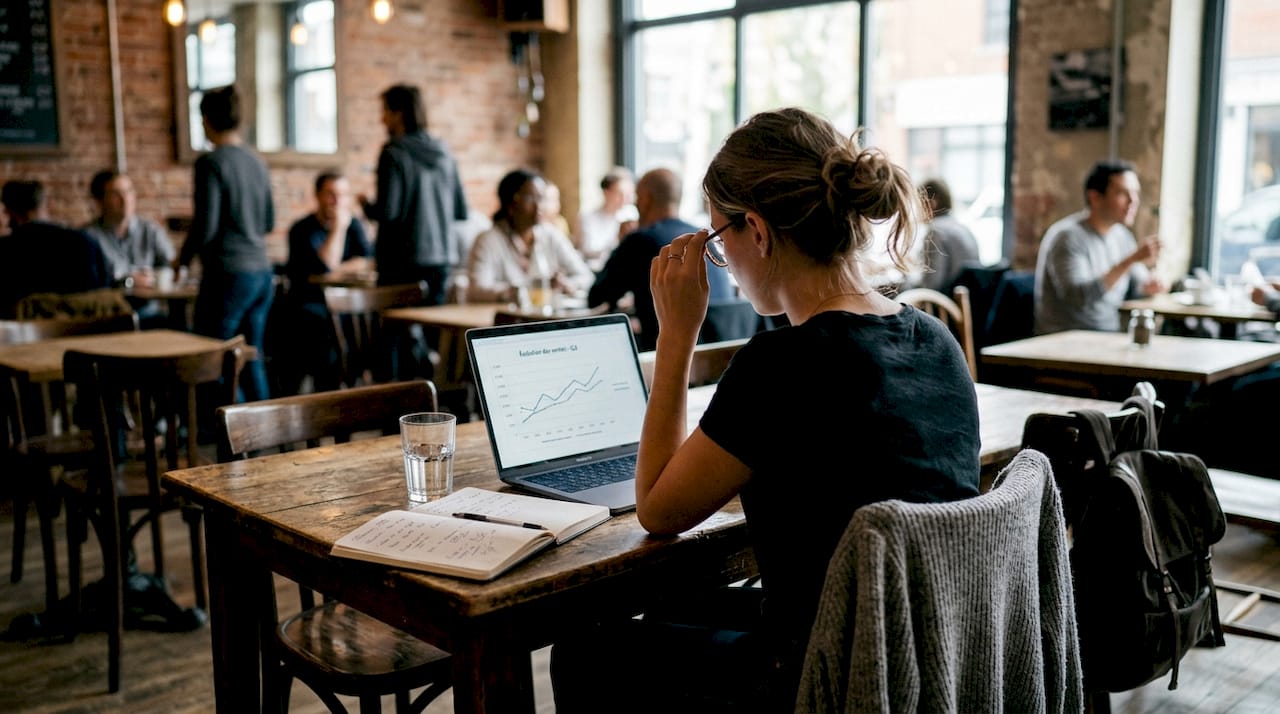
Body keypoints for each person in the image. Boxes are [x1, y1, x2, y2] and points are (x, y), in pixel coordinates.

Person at [551, 108, 981, 712]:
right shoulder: (935, 340)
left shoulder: (784, 363)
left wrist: (676, 334)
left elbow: (656, 507)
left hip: (820, 671)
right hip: (930, 656)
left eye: (718, 241)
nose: (720, 257)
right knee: (679, 608)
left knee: (586, 647)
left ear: (755, 229)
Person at [176, 84, 275, 402]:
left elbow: (206, 226)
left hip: (228, 274)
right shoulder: (256, 162)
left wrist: (181, 259)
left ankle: (237, 439)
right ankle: (267, 439)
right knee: (250, 357)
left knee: (217, 358)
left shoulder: (211, 163)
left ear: (207, 119)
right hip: (262, 273)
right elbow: (269, 222)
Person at [587, 167, 736, 350]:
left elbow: (596, 297)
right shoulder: (706, 238)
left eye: (637, 198)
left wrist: (622, 244)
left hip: (666, 356)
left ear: (646, 199)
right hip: (718, 358)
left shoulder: (639, 240)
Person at [360, 84, 468, 306]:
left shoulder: (393, 152)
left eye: (385, 112)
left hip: (400, 263)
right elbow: (460, 210)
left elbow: (388, 212)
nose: (382, 120)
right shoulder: (444, 152)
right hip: (442, 260)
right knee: (432, 336)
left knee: (394, 336)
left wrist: (366, 205)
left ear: (398, 113)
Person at [1033, 159, 1168, 334]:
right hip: (1066, 340)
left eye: (1135, 193)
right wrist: (1130, 260)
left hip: (1107, 334)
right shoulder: (1067, 237)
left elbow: (1138, 285)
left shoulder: (1122, 235)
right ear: (1095, 197)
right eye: (1122, 193)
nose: (1133, 201)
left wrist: (1150, 286)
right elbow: (1078, 297)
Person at [278, 170, 373, 394]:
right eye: (331, 194)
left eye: (343, 195)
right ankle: (327, 393)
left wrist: (337, 270)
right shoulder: (301, 229)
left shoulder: (355, 225)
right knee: (323, 331)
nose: (338, 201)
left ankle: (361, 392)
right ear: (318, 195)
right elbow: (326, 264)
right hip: (309, 309)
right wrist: (339, 228)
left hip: (347, 308)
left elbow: (368, 260)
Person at [465, 168, 594, 304]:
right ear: (511, 203)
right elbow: (476, 290)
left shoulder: (551, 234)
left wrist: (566, 284)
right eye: (531, 198)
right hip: (504, 321)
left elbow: (586, 276)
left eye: (542, 198)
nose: (539, 206)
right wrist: (530, 288)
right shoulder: (488, 240)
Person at [0, 180, 112, 319]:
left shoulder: (4, 250)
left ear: (8, 211)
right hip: (87, 332)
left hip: (20, 337)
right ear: (46, 205)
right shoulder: (84, 242)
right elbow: (104, 294)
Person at [82, 170, 177, 290]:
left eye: (129, 191)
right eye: (116, 194)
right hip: (106, 307)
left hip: (149, 307)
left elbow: (172, 266)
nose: (125, 199)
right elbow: (87, 281)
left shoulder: (151, 230)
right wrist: (128, 281)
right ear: (99, 201)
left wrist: (158, 276)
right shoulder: (88, 237)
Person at [911, 177, 981, 292]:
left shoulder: (936, 231)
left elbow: (930, 285)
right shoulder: (962, 227)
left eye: (918, 203)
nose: (916, 210)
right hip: (967, 301)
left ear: (932, 203)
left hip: (944, 304)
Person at [573, 165, 638, 271]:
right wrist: (617, 238)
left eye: (629, 194)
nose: (625, 199)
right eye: (620, 193)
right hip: (595, 270)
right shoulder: (587, 217)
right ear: (606, 192)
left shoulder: (632, 214)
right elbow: (587, 250)